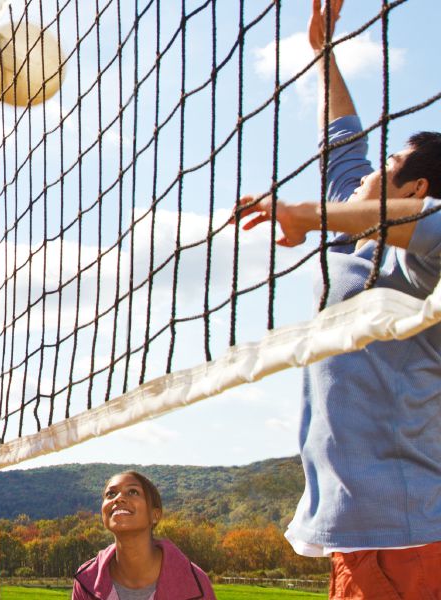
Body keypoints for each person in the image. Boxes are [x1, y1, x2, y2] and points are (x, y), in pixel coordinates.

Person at [233, 1, 441, 596]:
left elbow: (428, 222)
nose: (372, 168)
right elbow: (344, 139)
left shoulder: (424, 261)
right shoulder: (351, 229)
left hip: (411, 532)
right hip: (357, 534)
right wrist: (324, 53)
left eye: (390, 162)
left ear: (416, 188)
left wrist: (306, 214)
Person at [71, 472, 215, 600]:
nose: (118, 498)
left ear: (155, 515)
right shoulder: (87, 580)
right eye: (111, 494)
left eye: (133, 492)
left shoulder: (195, 584)